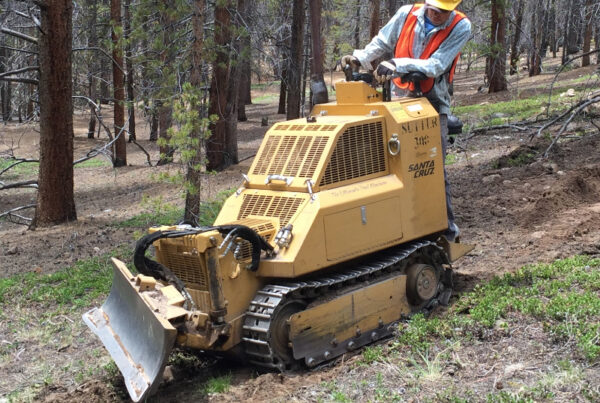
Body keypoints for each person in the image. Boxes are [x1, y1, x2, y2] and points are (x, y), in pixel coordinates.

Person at [341, 0, 471, 242]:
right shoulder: (406, 14)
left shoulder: (461, 26)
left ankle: (446, 233)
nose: (438, 15)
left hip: (432, 103)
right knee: (387, 167)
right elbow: (382, 41)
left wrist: (397, 64)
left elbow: (437, 64)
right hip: (398, 100)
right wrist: (360, 58)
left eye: (444, 11)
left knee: (430, 169)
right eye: (434, 9)